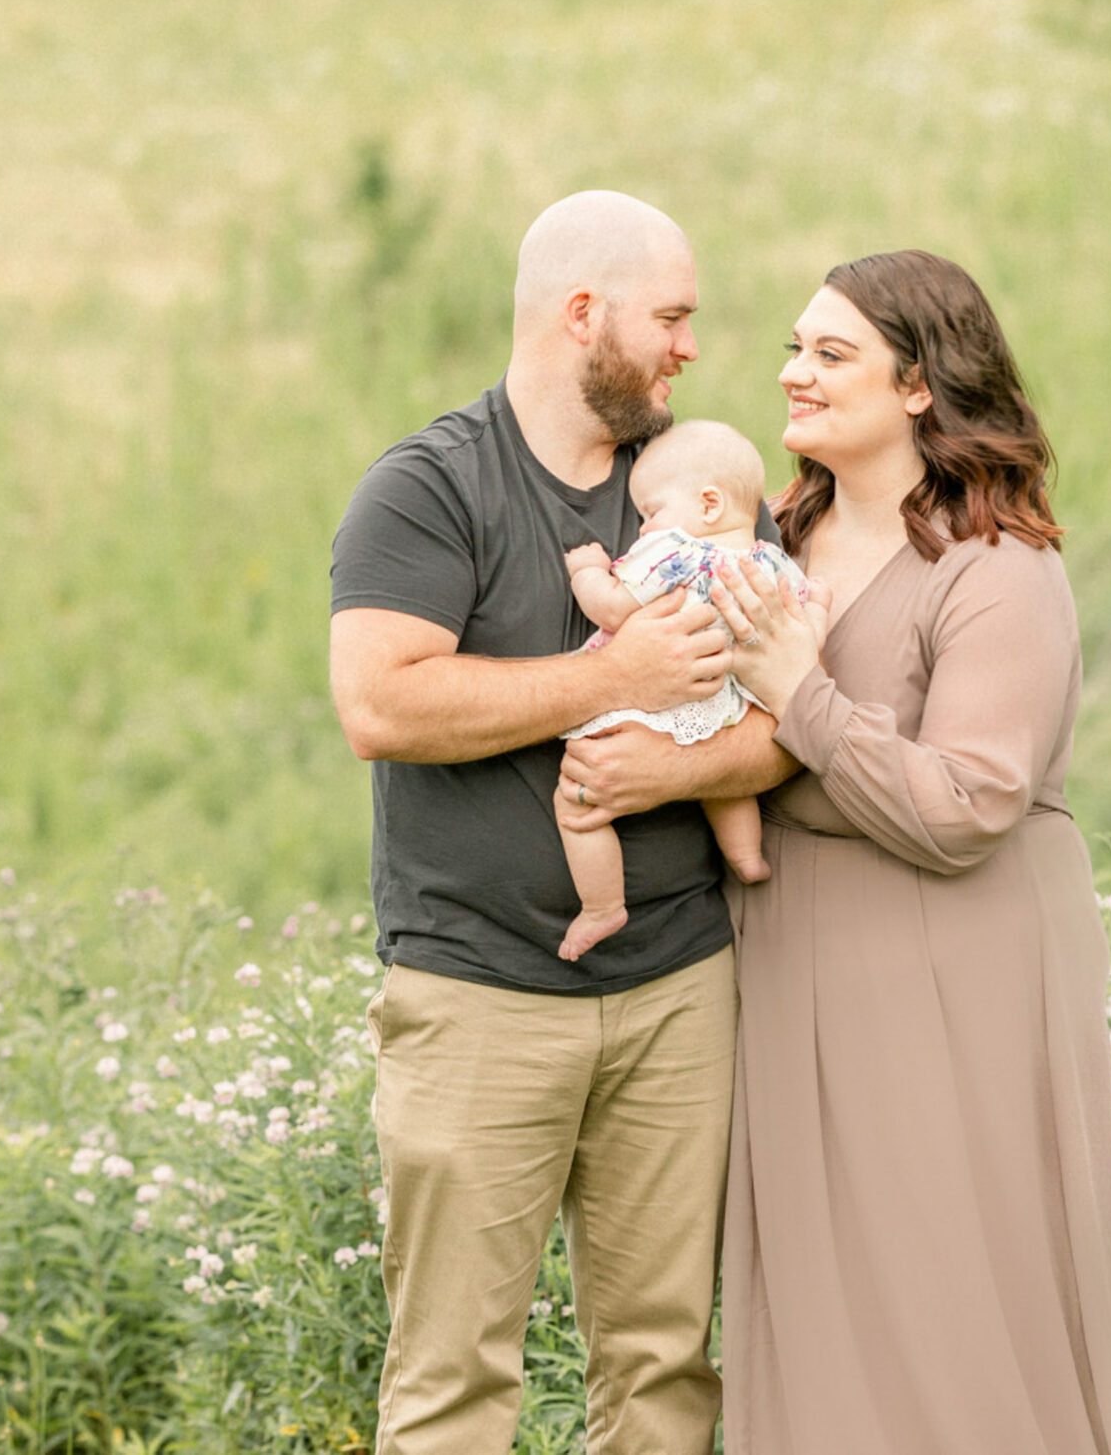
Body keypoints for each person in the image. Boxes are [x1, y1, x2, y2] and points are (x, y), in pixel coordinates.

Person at [705, 249, 1111, 1455]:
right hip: (789, 946)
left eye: (830, 353)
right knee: (820, 1300)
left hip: (957, 957)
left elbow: (969, 802)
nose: (792, 374)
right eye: (793, 347)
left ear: (919, 384)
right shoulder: (774, 535)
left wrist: (801, 696)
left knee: (959, 1293)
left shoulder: (998, 567)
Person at [327, 190, 788, 1455]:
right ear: (583, 313)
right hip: (477, 998)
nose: (692, 347)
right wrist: (609, 685)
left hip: (681, 988)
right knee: (453, 1383)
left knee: (664, 1369)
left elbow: (796, 713)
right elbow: (378, 703)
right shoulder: (428, 488)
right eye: (672, 317)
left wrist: (669, 772)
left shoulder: (705, 487)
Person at [556, 418, 806, 962]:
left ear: (708, 504)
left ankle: (602, 906)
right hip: (731, 701)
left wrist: (587, 571)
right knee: (725, 780)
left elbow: (615, 608)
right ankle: (746, 857)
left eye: (651, 512)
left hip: (661, 695)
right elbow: (804, 618)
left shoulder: (675, 551)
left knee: (576, 803)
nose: (645, 527)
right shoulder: (772, 561)